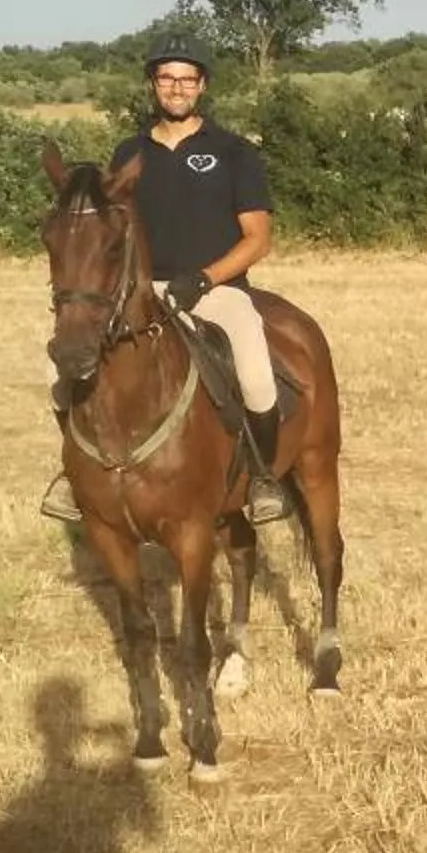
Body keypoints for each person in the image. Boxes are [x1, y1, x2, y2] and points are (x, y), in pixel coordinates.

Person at [42, 47, 294, 524]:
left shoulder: (234, 152)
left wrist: (202, 279)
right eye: (166, 79)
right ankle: (74, 475)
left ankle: (262, 478)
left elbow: (258, 240)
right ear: (153, 85)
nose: (176, 87)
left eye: (186, 79)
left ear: (202, 86)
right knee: (55, 372)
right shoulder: (128, 154)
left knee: (258, 377)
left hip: (217, 291)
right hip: (140, 295)